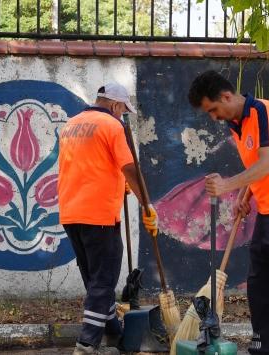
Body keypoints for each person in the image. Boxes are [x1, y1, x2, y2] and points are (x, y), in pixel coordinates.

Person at [188, 70, 269, 355]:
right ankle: (262, 342)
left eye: (213, 110)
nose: (213, 117)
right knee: (258, 282)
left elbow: (268, 164)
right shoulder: (238, 126)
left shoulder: (263, 112)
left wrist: (226, 186)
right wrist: (242, 196)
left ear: (226, 96)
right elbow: (258, 171)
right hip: (268, 211)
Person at [58, 83, 159, 355]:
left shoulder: (72, 125)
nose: (123, 115)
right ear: (115, 105)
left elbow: (92, 166)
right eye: (124, 110)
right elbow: (129, 168)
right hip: (99, 215)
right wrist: (146, 204)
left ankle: (114, 332)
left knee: (95, 281)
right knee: (103, 281)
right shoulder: (112, 126)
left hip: (70, 213)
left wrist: (118, 184)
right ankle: (87, 344)